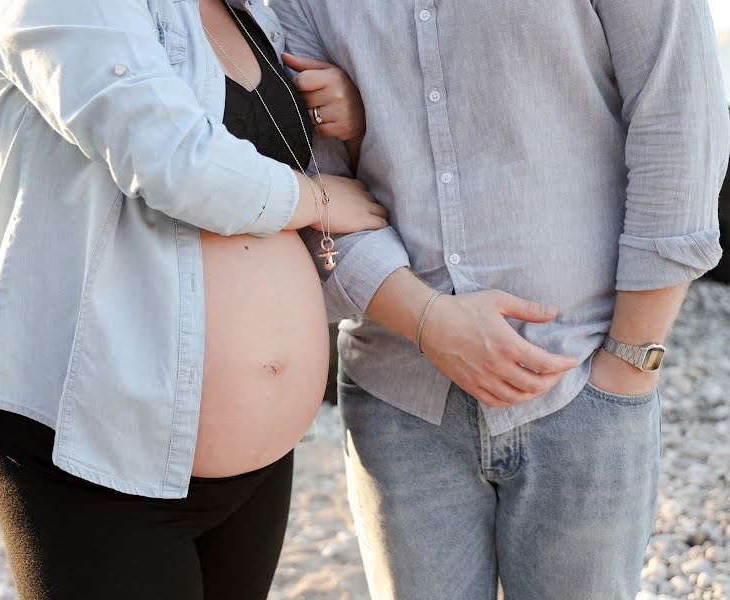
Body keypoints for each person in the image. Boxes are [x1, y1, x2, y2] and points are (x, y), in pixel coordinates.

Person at [273, 1, 730, 598]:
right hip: (400, 400)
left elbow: (680, 115)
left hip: (585, 380)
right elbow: (312, 186)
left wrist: (630, 361)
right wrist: (428, 320)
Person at [0, 0, 386, 598]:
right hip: (98, 455)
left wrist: (346, 104)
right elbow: (173, 161)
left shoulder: (248, 10)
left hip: (256, 467)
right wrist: (315, 198)